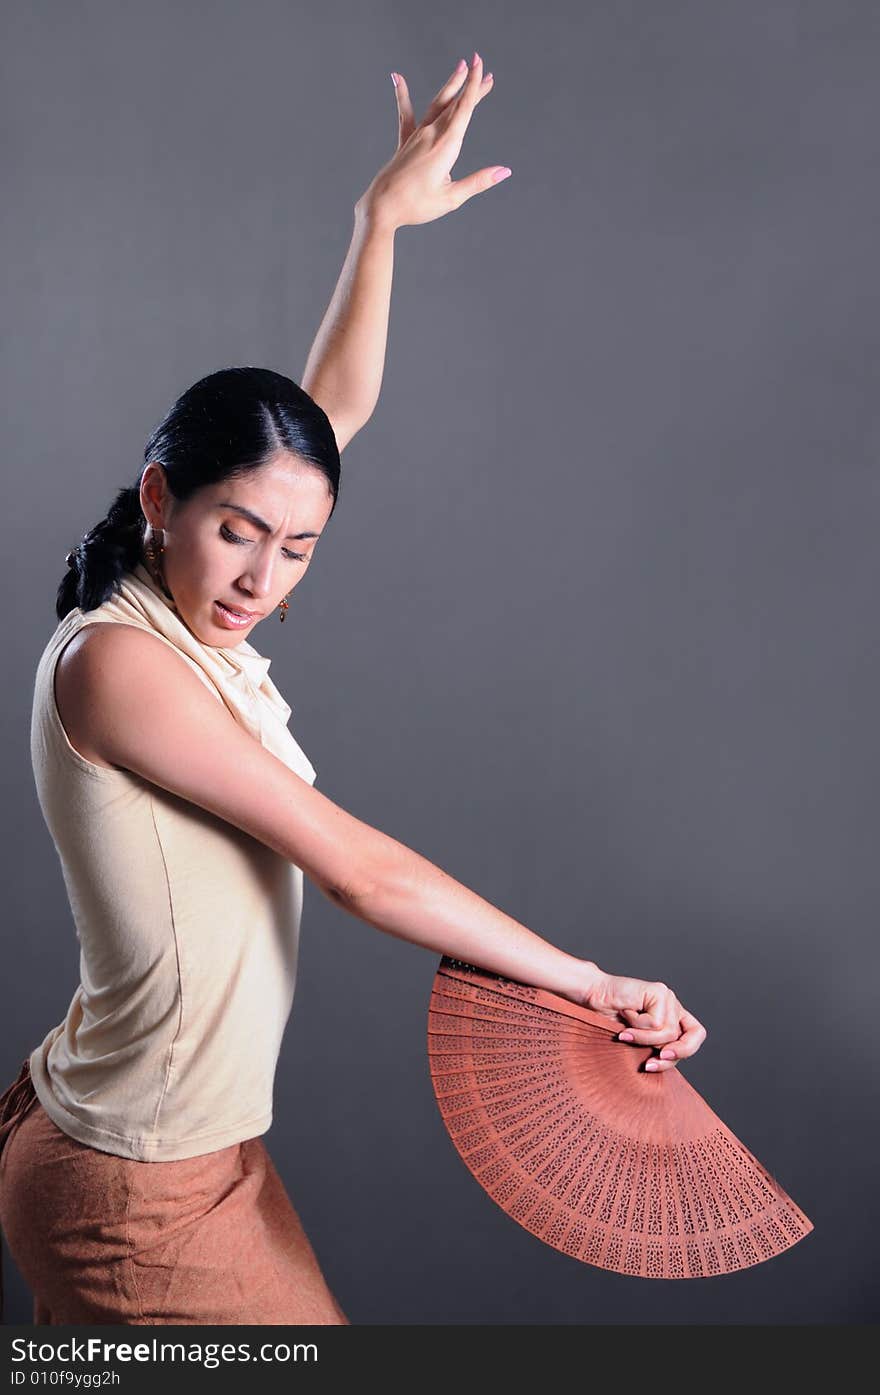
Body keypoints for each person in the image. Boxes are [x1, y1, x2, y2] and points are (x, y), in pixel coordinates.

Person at [0, 52, 706, 1326]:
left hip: (187, 1148)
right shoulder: (118, 664)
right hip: (131, 1180)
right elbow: (358, 869)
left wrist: (377, 223)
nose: (263, 576)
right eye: (236, 532)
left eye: (298, 547)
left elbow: (327, 414)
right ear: (161, 500)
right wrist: (585, 980)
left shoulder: (201, 594)